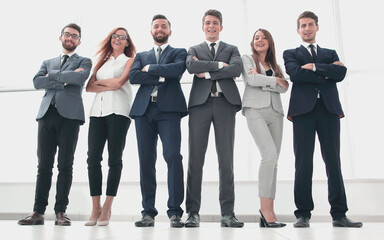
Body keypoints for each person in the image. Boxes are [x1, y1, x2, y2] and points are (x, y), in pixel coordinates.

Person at [283, 11, 362, 228]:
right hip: (302, 113)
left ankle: (339, 214)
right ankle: (302, 214)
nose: (307, 29)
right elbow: (295, 74)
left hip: (328, 110)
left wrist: (315, 67)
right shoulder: (291, 53)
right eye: (302, 26)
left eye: (310, 25)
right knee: (303, 163)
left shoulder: (329, 52)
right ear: (298, 30)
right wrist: (328, 72)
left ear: (317, 27)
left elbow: (341, 73)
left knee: (333, 162)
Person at [18, 23, 92, 226]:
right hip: (46, 115)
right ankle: (38, 212)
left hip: (69, 117)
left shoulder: (84, 61)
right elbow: (37, 82)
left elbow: (80, 77)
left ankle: (61, 212)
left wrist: (52, 76)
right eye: (67, 34)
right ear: (60, 37)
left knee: (65, 165)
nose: (70, 38)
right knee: (43, 166)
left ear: (79, 41)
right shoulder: (47, 61)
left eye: (74, 36)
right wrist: (65, 80)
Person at [185, 9, 244, 228]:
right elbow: (191, 66)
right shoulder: (193, 49)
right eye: (208, 23)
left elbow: (237, 69)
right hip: (200, 105)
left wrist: (207, 72)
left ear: (221, 27)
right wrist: (220, 66)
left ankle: (228, 213)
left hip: (225, 104)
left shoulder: (232, 49)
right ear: (203, 27)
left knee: (226, 160)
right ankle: (192, 212)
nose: (211, 26)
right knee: (195, 159)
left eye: (215, 23)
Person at [129, 14, 188, 228]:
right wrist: (164, 76)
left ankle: (174, 212)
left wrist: (152, 70)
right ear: (151, 31)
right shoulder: (141, 55)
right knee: (146, 160)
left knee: (173, 156)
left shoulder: (179, 52)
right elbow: (134, 77)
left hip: (169, 111)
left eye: (164, 26)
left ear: (169, 31)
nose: (160, 29)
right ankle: (148, 213)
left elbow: (178, 70)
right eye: (156, 26)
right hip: (143, 111)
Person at [84, 27, 136, 226]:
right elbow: (89, 87)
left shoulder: (129, 60)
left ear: (127, 43)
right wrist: (110, 82)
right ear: (111, 39)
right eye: (115, 36)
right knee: (93, 158)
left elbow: (120, 83)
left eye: (122, 37)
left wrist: (102, 83)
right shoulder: (101, 62)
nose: (118, 39)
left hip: (119, 111)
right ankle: (95, 206)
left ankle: (107, 206)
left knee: (114, 159)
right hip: (97, 111)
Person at [241, 29, 289, 228]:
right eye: (256, 38)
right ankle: (264, 209)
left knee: (274, 161)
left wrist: (269, 80)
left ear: (270, 42)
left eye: (264, 37)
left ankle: (270, 209)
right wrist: (274, 81)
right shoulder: (247, 59)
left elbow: (285, 86)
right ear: (253, 42)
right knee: (268, 155)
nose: (260, 40)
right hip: (255, 110)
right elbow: (251, 80)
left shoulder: (275, 65)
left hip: (276, 112)